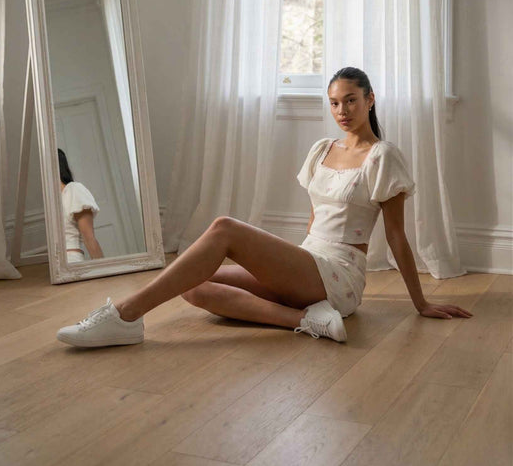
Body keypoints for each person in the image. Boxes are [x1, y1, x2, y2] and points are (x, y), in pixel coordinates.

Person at [56, 67, 472, 348]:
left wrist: (421, 303)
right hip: (309, 264)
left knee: (223, 228)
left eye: (350, 100)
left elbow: (397, 235)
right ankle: (303, 319)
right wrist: (284, 266)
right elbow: (313, 221)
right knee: (193, 283)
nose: (341, 111)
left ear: (370, 100)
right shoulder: (321, 149)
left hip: (340, 276)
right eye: (333, 103)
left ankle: (124, 316)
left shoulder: (383, 156)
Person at [58, 149, 104, 263]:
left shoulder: (73, 190)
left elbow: (89, 238)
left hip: (71, 261)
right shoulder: (50, 201)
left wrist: (106, 274)